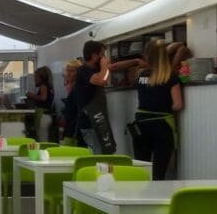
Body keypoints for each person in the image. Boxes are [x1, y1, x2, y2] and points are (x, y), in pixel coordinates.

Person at [117, 39, 184, 180]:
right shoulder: (171, 77)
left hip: (141, 125)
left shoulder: (140, 75)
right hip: (162, 126)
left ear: (147, 56)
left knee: (143, 171)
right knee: (159, 173)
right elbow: (178, 105)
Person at [72, 41, 112, 149]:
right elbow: (103, 80)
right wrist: (105, 66)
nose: (104, 58)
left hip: (99, 121)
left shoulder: (97, 69)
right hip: (90, 122)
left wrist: (135, 61)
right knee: (97, 154)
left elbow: (111, 68)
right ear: (94, 56)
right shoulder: (83, 71)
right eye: (102, 54)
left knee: (105, 151)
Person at [24, 66, 55, 140]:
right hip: (47, 114)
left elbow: (43, 98)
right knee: (44, 138)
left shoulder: (43, 86)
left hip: (42, 115)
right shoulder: (49, 86)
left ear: (41, 77)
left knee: (42, 139)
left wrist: (31, 95)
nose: (34, 80)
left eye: (35, 77)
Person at [59, 59, 82, 145]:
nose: (68, 73)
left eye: (72, 71)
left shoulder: (78, 88)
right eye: (67, 71)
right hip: (70, 125)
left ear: (78, 73)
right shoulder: (71, 86)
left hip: (75, 127)